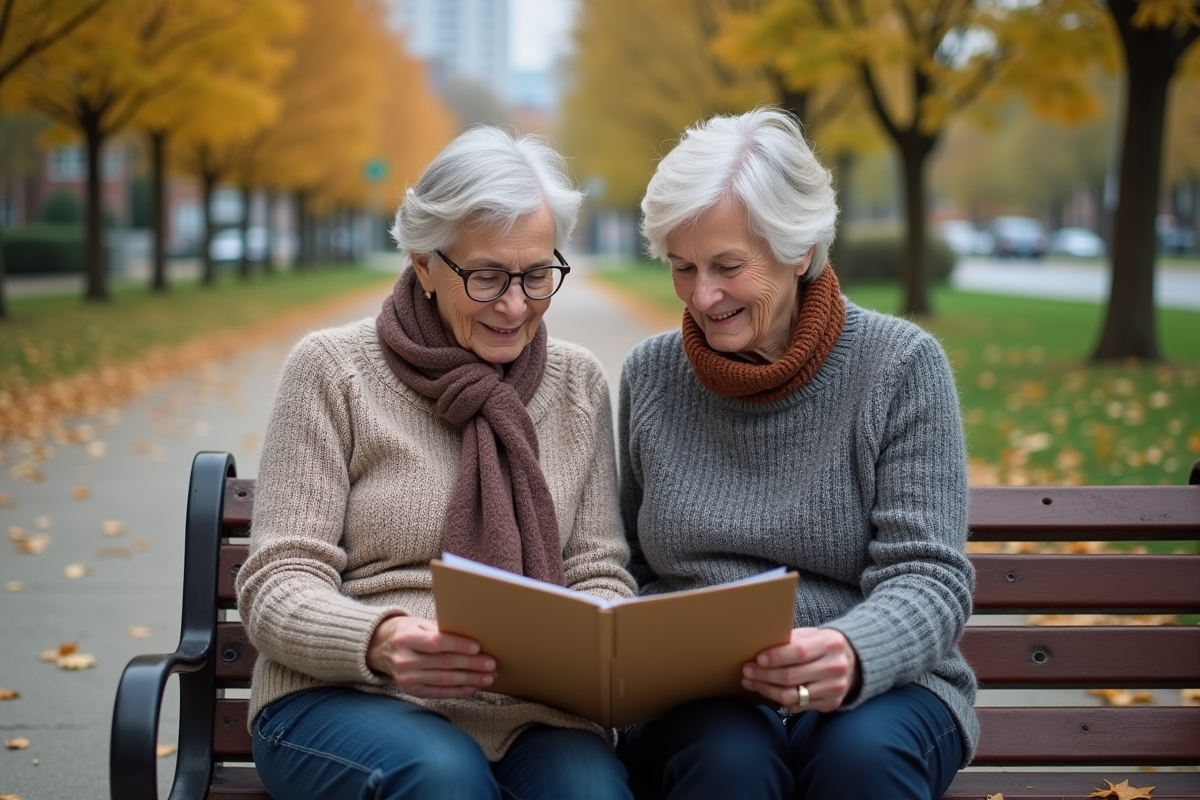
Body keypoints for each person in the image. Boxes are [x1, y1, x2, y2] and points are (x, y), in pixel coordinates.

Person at [236, 126, 637, 800]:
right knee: (442, 778)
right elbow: (278, 579)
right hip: (344, 695)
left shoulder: (576, 384)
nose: (515, 305)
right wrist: (380, 639)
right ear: (425, 262)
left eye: (538, 274)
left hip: (531, 710)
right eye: (486, 277)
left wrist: (591, 639)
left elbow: (599, 569)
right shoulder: (333, 371)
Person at [615, 108, 978, 800]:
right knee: (729, 765)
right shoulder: (651, 375)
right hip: (699, 694)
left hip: (880, 676)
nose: (701, 296)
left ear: (802, 250)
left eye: (727, 266)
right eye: (682, 267)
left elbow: (929, 576)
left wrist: (852, 651)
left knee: (858, 762)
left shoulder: (900, 366)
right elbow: (626, 564)